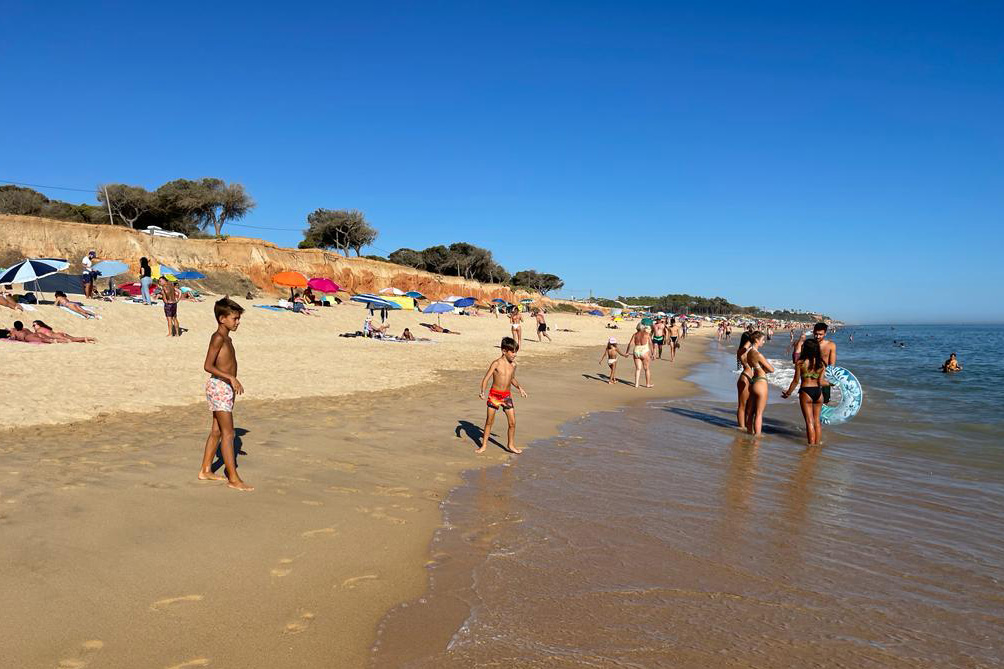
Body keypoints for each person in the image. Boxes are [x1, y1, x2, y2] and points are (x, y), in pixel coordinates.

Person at [199, 297, 253, 492]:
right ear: (222, 318)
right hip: (220, 386)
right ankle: (233, 478)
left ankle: (205, 469)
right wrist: (230, 377)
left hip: (224, 387)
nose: (237, 322)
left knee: (217, 431)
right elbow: (208, 366)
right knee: (228, 434)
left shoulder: (227, 337)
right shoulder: (218, 337)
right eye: (235, 318)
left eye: (238, 319)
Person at [477, 337, 527, 454]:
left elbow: (512, 379)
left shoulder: (513, 365)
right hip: (494, 395)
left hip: (506, 396)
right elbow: (486, 378)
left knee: (512, 423)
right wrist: (482, 391)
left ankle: (510, 445)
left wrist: (520, 388)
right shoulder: (496, 363)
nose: (515, 355)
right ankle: (483, 445)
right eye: (512, 352)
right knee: (489, 421)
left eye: (516, 352)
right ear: (504, 351)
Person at [782, 338, 827, 445]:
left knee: (809, 421)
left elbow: (796, 381)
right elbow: (821, 382)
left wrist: (788, 393)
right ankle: (817, 445)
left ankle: (811, 446)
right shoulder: (821, 364)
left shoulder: (800, 363)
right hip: (818, 393)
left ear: (805, 349)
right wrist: (831, 384)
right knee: (817, 422)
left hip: (806, 392)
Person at [743, 331, 774, 436]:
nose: (764, 342)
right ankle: (757, 438)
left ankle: (749, 434)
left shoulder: (749, 353)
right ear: (756, 340)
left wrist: (761, 368)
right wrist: (764, 369)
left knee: (751, 412)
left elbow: (753, 365)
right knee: (759, 414)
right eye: (762, 340)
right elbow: (771, 369)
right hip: (761, 381)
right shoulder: (758, 354)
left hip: (753, 381)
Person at [813, 322, 837, 404]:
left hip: (824, 377)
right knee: (812, 403)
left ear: (825, 334)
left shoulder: (831, 345)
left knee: (825, 403)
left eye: (820, 334)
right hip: (811, 377)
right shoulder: (809, 345)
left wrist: (832, 379)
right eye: (816, 334)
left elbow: (832, 364)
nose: (818, 336)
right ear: (813, 332)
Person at [625, 323, 653, 388]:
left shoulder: (635, 335)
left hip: (636, 351)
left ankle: (636, 384)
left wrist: (627, 352)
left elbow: (630, 344)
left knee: (638, 369)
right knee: (646, 369)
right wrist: (653, 353)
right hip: (644, 351)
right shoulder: (646, 334)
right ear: (643, 328)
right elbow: (651, 344)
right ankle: (648, 384)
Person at [736, 332, 753, 430]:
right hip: (745, 377)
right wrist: (749, 342)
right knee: (742, 405)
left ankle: (746, 425)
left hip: (749, 377)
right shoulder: (742, 350)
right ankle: (741, 427)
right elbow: (743, 351)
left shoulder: (750, 350)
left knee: (749, 406)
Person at [31, 320, 96, 343]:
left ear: (39, 325)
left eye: (34, 325)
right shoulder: (44, 328)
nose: (33, 326)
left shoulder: (39, 330)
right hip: (59, 334)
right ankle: (87, 339)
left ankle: (90, 338)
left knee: (73, 340)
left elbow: (38, 337)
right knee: (74, 339)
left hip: (56, 336)